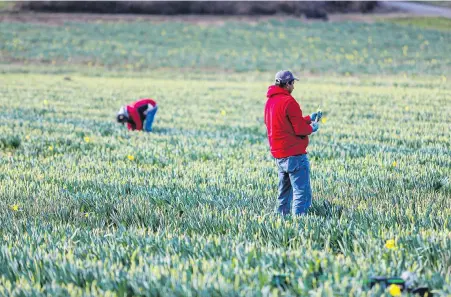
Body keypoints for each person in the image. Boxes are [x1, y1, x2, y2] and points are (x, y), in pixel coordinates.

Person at [264, 70, 322, 216]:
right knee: (301, 192)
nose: (294, 87)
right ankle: (300, 223)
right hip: (294, 154)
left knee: (284, 193)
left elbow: (286, 124)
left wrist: (309, 118)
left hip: (279, 155)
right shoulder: (289, 101)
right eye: (293, 83)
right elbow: (299, 129)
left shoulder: (270, 102)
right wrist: (312, 127)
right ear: (287, 84)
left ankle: (281, 219)